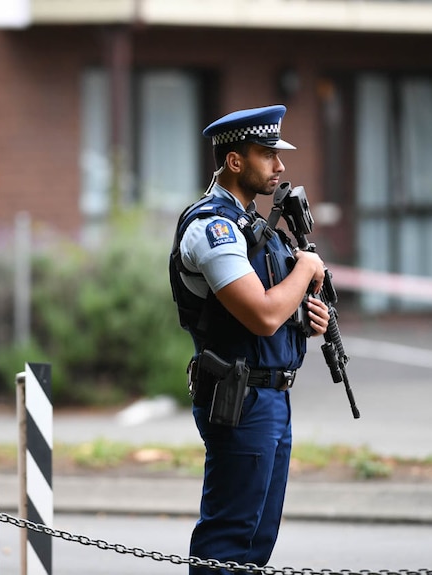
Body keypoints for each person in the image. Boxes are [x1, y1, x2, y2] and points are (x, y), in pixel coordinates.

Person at [169, 104, 331, 574]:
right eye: (267, 154)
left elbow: (275, 308)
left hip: (272, 397)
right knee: (228, 539)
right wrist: (305, 269)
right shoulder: (213, 228)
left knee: (257, 540)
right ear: (235, 161)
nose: (279, 166)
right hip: (239, 398)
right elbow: (261, 315)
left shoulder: (251, 227)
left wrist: (307, 315)